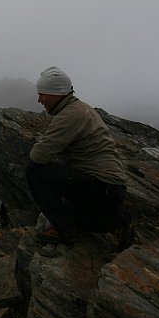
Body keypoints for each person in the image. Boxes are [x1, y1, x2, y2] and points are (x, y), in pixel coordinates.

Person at [26, 66, 133, 249]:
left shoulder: (70, 115)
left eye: (42, 94)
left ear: (56, 93)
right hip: (110, 188)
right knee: (68, 212)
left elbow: (38, 155)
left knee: (34, 171)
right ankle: (117, 221)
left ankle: (65, 231)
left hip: (101, 186)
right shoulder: (80, 108)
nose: (39, 99)